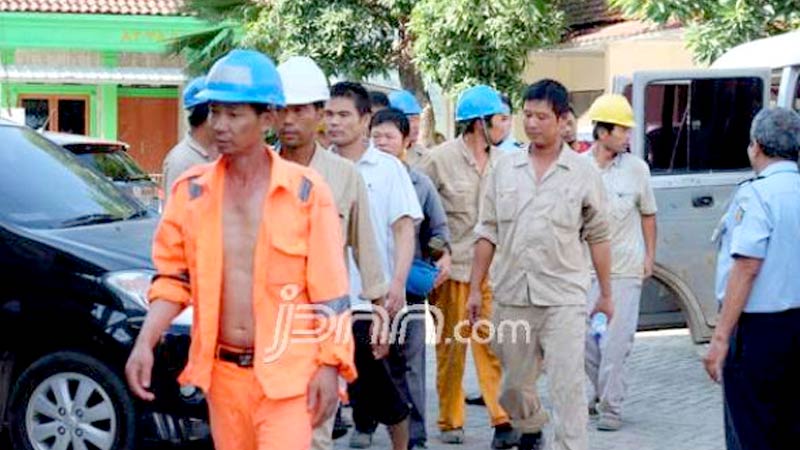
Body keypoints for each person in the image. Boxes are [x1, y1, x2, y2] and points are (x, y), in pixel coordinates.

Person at [124, 49, 355, 450]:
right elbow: (173, 280)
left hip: (289, 376)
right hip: (223, 377)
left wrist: (330, 364)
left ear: (268, 119)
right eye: (214, 112)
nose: (220, 126)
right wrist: (145, 341)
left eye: (234, 115)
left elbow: (330, 293)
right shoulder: (192, 192)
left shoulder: (305, 192)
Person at [469, 79, 613, 450]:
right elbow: (487, 230)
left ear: (563, 120)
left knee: (568, 384)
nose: (532, 124)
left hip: (563, 295)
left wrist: (606, 294)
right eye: (527, 115)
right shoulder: (505, 167)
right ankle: (531, 426)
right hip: (513, 293)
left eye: (541, 116)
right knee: (514, 385)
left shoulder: (583, 173)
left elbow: (598, 235)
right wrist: (474, 288)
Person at [276, 56, 388, 450]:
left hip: (321, 324)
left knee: (315, 433)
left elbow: (367, 248)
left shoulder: (343, 176)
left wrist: (381, 312)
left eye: (299, 110)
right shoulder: (256, 172)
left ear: (318, 113)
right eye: (281, 110)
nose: (288, 120)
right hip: (266, 325)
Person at [417, 84, 518, 449]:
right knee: (451, 348)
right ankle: (450, 420)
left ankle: (502, 417)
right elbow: (419, 213)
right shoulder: (438, 160)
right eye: (499, 120)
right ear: (478, 123)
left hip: (494, 273)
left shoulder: (508, 162)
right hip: (454, 272)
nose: (505, 127)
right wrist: (433, 254)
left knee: (492, 346)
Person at [325, 81, 423, 450]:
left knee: (380, 384)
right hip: (322, 298)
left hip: (369, 298)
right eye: (329, 114)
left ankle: (402, 440)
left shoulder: (387, 168)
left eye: (344, 114)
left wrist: (396, 283)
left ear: (365, 119)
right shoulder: (318, 166)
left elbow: (403, 230)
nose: (334, 122)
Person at [704, 107, 800, 450]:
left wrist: (720, 337)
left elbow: (746, 266)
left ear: (756, 146)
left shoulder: (756, 194)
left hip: (760, 332)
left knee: (753, 430)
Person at [369, 107, 452, 450]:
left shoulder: (420, 183)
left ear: (406, 140)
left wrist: (441, 255)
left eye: (389, 136)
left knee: (413, 365)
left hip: (411, 291)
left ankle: (416, 436)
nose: (382, 143)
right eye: (376, 137)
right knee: (377, 366)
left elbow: (438, 230)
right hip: (369, 291)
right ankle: (367, 424)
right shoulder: (360, 178)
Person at [582, 94, 657, 431]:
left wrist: (649, 257)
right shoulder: (578, 169)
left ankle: (611, 407)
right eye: (622, 130)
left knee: (616, 342)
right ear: (602, 133)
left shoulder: (638, 170)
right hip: (584, 271)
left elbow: (649, 216)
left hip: (625, 269)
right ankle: (596, 396)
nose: (628, 136)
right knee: (585, 340)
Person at [162, 76, 218, 197]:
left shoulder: (223, 153)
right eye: (219, 111)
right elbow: (177, 214)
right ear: (209, 115)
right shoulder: (181, 162)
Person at [389, 90, 427, 166]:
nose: (416, 125)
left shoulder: (425, 156)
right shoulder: (377, 153)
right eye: (410, 120)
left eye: (417, 119)